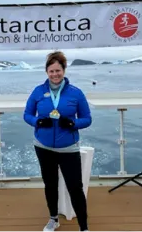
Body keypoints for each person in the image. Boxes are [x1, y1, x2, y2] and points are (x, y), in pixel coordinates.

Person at [23, 51, 92, 232]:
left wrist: (73, 123)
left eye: (58, 70)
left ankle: (84, 227)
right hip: (43, 147)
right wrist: (37, 121)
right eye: (51, 71)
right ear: (47, 72)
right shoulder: (38, 91)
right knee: (50, 185)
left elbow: (87, 119)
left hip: (68, 148)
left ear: (64, 70)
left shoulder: (76, 93)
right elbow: (27, 115)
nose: (55, 74)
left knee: (75, 188)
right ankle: (53, 219)